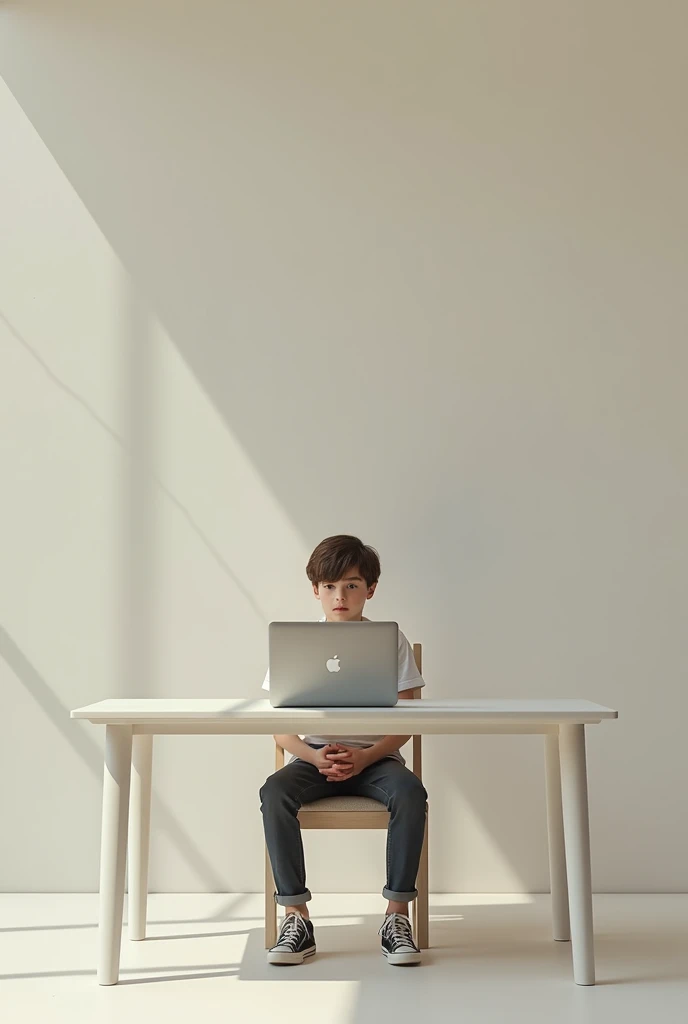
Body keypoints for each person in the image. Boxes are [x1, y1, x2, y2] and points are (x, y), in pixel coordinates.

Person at [259, 534, 427, 966]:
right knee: (274, 792)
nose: (340, 596)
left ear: (370, 589)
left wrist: (368, 755)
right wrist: (313, 756)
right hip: (313, 759)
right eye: (330, 586)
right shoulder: (295, 643)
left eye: (352, 585)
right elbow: (279, 727)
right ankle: (296, 917)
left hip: (377, 760)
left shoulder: (392, 640)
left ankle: (396, 917)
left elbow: (410, 718)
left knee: (411, 793)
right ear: (315, 589)